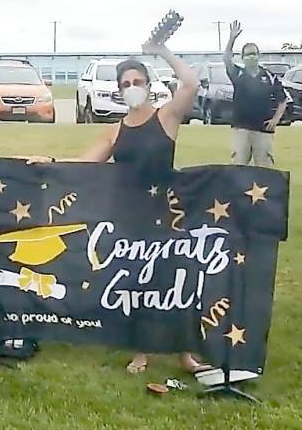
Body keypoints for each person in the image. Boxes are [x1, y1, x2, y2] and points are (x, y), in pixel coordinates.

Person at [27, 37, 210, 374]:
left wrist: (162, 51)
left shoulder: (166, 117)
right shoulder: (115, 131)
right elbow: (85, 164)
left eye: (137, 82)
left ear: (148, 84)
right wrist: (50, 162)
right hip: (129, 215)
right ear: (119, 90)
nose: (132, 87)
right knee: (138, 284)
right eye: (125, 84)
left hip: (167, 213)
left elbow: (192, 83)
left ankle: (185, 354)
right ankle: (141, 351)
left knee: (175, 281)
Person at [224, 20, 288, 167]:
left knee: (265, 170)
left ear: (258, 55)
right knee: (238, 168)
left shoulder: (270, 76)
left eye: (253, 54)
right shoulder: (238, 73)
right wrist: (232, 39)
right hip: (241, 129)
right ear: (242, 57)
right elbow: (226, 59)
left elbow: (283, 100)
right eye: (247, 54)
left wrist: (275, 119)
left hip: (263, 130)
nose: (251, 57)